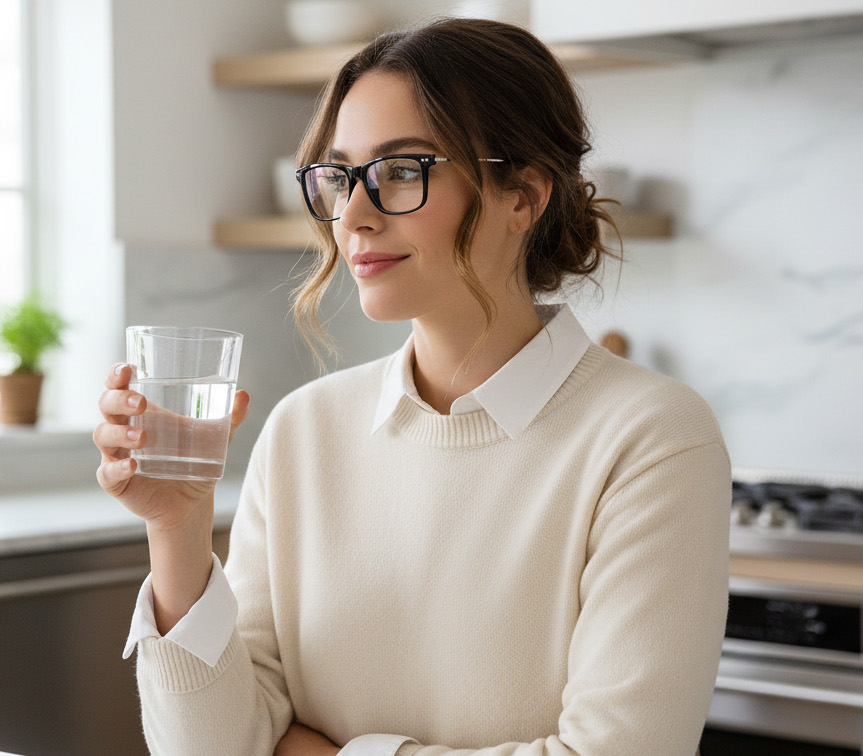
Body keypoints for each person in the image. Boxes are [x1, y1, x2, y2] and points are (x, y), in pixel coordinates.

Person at [95, 17, 730, 756]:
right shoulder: (306, 430)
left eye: (402, 170)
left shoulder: (651, 437)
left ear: (522, 195)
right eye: (339, 176)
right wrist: (176, 530)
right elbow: (214, 749)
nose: (354, 217)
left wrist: (330, 751)